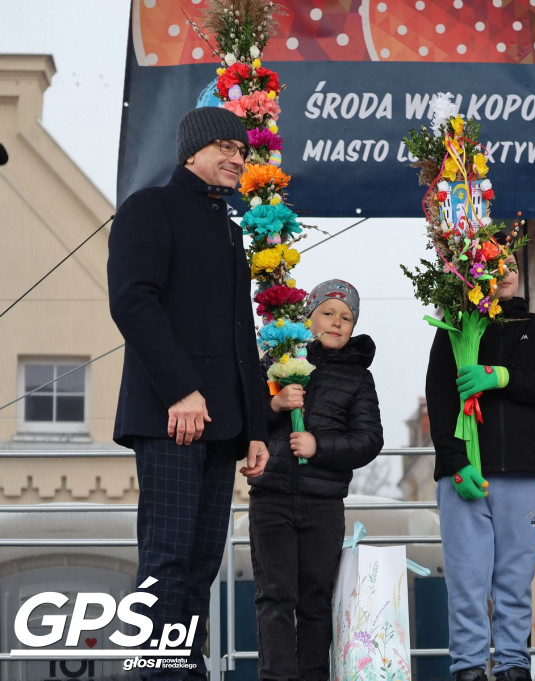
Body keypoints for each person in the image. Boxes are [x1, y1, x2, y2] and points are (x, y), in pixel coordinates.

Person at [107, 106, 269, 679]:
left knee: (201, 563)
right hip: (170, 417)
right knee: (167, 558)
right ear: (192, 152)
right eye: (225, 146)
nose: (236, 158)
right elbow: (132, 301)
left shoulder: (228, 227)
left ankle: (184, 667)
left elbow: (239, 335)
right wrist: (181, 390)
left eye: (243, 150)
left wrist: (255, 427)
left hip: (223, 426)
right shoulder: (150, 208)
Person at [425, 253, 535, 681]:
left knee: (515, 582)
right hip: (464, 476)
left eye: (509, 263)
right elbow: (440, 397)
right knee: (467, 583)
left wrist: (501, 376)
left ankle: (512, 666)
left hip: (523, 475)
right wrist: (455, 463)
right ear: (473, 273)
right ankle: (468, 668)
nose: (503, 272)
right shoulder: (455, 331)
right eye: (491, 264)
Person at [248, 280, 383, 681]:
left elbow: (369, 440)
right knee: (275, 597)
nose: (337, 323)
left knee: (315, 600)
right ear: (308, 318)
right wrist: (274, 403)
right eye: (328, 313)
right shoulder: (279, 360)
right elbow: (244, 418)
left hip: (324, 503)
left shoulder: (359, 379)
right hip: (271, 498)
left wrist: (318, 445)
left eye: (347, 318)